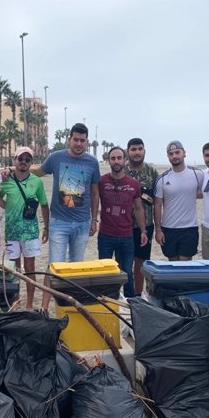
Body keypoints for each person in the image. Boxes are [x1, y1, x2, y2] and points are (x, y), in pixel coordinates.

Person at [27, 123, 100, 308]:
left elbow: (95, 192)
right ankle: (43, 308)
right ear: (69, 139)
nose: (78, 144)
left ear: (87, 142)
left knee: (76, 268)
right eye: (75, 139)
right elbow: (38, 172)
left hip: (83, 223)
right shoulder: (56, 158)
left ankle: (70, 306)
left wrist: (94, 219)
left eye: (82, 140)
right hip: (59, 222)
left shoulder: (92, 162)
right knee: (54, 268)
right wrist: (14, 170)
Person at [0, 147, 49, 309]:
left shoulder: (37, 182)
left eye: (27, 160)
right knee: (14, 270)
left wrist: (47, 227)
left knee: (30, 269)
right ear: (14, 160)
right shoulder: (6, 181)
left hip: (30, 233)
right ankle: (16, 300)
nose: (23, 162)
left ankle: (28, 304)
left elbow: (44, 204)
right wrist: (10, 209)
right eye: (21, 159)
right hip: (12, 232)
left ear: (30, 163)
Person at [98, 147, 147, 298]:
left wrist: (143, 231)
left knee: (126, 273)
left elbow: (139, 208)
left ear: (125, 160)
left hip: (126, 235)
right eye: (113, 158)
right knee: (105, 273)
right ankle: (107, 301)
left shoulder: (133, 184)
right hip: (105, 235)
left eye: (119, 158)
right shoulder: (102, 181)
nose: (116, 161)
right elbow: (93, 200)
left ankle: (131, 304)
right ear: (109, 161)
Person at [154, 140, 204, 260]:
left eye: (177, 152)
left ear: (184, 153)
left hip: (189, 228)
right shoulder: (162, 179)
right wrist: (158, 230)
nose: (175, 156)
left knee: (185, 266)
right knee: (173, 265)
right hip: (169, 229)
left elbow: (206, 193)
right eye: (171, 154)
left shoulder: (197, 174)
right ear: (168, 157)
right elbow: (157, 205)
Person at [124, 137, 158, 296]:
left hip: (146, 225)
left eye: (140, 149)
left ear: (144, 150)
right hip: (123, 225)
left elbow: (159, 200)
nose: (137, 152)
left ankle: (138, 294)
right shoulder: (122, 171)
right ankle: (126, 293)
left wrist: (158, 227)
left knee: (141, 261)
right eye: (133, 149)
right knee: (124, 262)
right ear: (128, 151)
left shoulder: (152, 172)